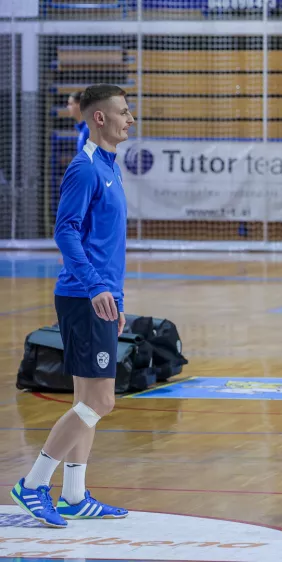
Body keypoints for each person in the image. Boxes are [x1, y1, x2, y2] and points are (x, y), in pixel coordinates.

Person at [11, 84, 134, 528]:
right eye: (123, 112)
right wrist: (98, 287)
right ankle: (32, 483)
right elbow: (65, 232)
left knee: (87, 399)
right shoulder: (84, 168)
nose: (130, 119)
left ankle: (75, 495)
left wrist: (115, 298)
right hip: (84, 296)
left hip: (99, 296)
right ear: (99, 118)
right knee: (101, 401)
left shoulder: (108, 165)